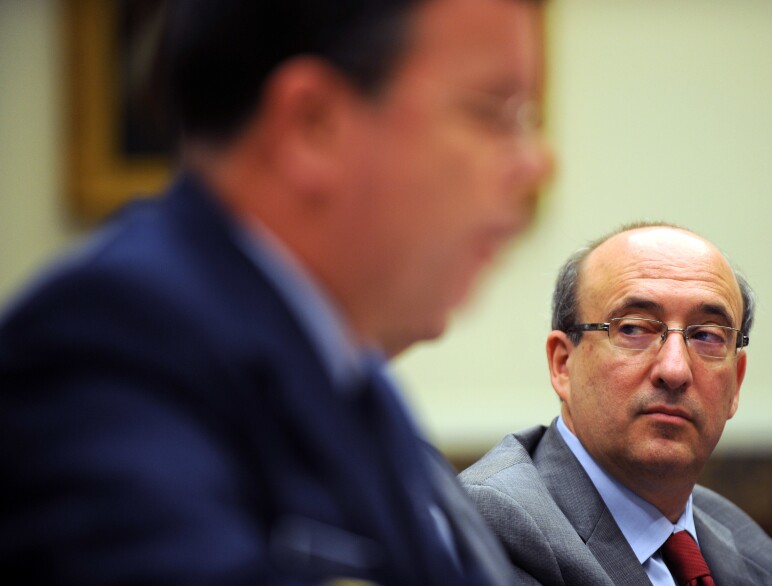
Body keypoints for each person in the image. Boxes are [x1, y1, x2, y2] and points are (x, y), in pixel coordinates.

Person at [0, 1, 551, 584]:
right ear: (312, 124)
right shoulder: (106, 348)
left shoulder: (351, 372)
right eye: (494, 113)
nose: (538, 163)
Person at [460, 223, 772, 586]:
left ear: (736, 383)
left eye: (706, 335)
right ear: (563, 364)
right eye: (634, 329)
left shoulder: (750, 550)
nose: (675, 369)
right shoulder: (493, 526)